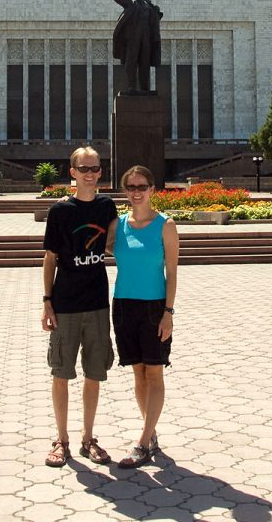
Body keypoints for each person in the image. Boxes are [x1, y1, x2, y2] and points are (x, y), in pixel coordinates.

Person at [41, 146, 119, 467]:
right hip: (66, 304)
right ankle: (62, 439)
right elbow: (50, 259)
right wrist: (47, 302)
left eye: (95, 168)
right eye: (83, 168)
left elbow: (117, 243)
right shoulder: (60, 212)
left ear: (100, 172)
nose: (90, 173)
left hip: (98, 302)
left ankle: (89, 438)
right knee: (61, 372)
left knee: (94, 373)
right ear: (72, 173)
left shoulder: (107, 206)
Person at [107, 165, 179, 468]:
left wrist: (168, 313)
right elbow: (93, 246)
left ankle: (142, 441)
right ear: (126, 191)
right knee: (138, 373)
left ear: (153, 189)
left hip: (154, 308)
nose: (136, 192)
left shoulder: (166, 225)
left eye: (142, 186)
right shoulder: (117, 225)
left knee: (155, 372)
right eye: (131, 187)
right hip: (123, 306)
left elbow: (172, 273)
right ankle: (151, 434)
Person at [104, 0, 162, 94]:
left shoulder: (149, 6)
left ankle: (144, 87)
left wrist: (156, 12)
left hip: (146, 39)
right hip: (132, 38)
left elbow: (154, 20)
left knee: (144, 62)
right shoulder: (130, 2)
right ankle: (131, 86)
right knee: (131, 62)